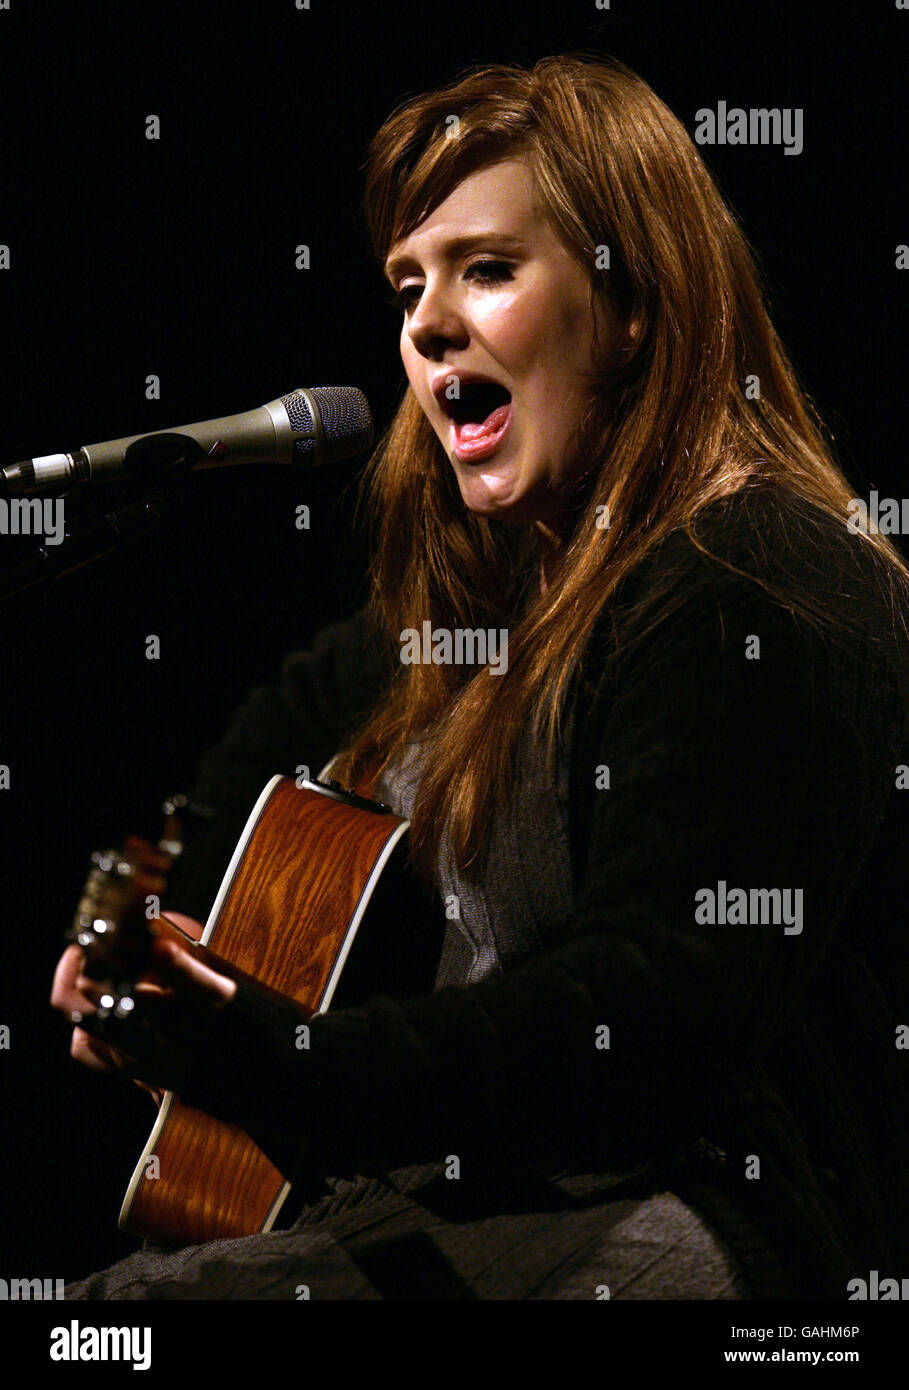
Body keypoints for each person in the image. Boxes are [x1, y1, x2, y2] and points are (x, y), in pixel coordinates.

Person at [53, 54, 909, 1300]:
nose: (426, 322)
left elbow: (645, 1016)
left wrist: (279, 1057)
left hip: (700, 1235)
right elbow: (282, 722)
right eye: (408, 284)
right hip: (477, 1203)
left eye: (488, 270)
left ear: (632, 305)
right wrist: (168, 940)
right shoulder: (499, 607)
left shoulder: (761, 572)